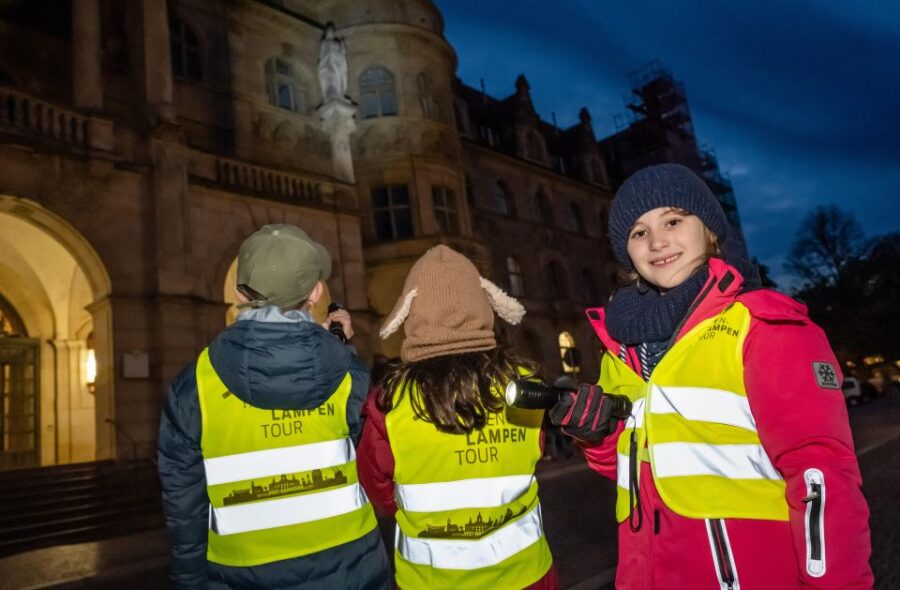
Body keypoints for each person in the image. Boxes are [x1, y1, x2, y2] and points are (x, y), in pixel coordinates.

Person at [550, 164, 873, 588]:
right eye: (638, 232)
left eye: (673, 220)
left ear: (710, 231)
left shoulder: (764, 326)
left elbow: (821, 475)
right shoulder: (621, 347)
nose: (658, 240)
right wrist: (596, 436)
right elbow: (634, 471)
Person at [157, 224, 391, 589]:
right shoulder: (348, 375)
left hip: (240, 578)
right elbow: (374, 464)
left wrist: (190, 582)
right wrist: (340, 350)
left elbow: (183, 506)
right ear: (315, 293)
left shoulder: (194, 385)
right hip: (353, 573)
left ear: (239, 290)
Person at [357, 245, 558, 590]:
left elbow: (378, 489)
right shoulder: (524, 384)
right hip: (528, 575)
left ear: (411, 311)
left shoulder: (390, 400)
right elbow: (533, 454)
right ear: (484, 305)